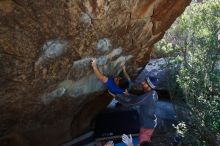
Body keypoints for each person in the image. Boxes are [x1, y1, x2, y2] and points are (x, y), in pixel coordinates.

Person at [116, 76, 158, 146]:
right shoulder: (153, 93)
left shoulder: (149, 95)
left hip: (147, 125)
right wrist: (128, 95)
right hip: (150, 123)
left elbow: (132, 103)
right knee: (143, 140)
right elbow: (139, 99)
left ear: (149, 86)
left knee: (143, 141)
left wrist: (117, 97)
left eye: (145, 82)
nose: (142, 82)